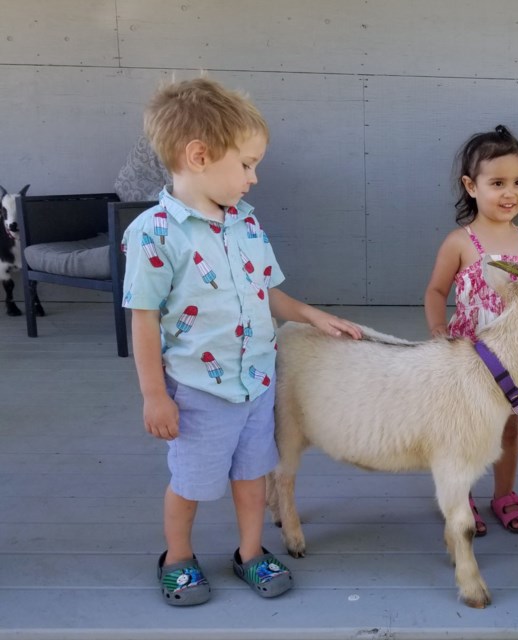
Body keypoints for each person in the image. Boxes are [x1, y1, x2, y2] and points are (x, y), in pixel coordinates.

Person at [123, 77, 362, 606]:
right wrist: (153, 394)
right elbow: (141, 319)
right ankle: (178, 558)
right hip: (196, 392)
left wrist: (312, 316)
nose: (254, 179)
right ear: (200, 155)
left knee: (254, 477)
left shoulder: (246, 224)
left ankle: (250, 552)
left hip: (257, 381)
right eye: (248, 164)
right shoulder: (155, 232)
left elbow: (268, 291)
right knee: (190, 485)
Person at [424, 125, 518, 535]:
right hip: (470, 354)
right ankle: (464, 495)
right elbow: (436, 290)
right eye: (497, 183)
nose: (510, 193)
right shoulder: (461, 241)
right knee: (468, 428)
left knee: (509, 427)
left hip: (515, 356)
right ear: (471, 186)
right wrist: (438, 325)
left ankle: (504, 493)